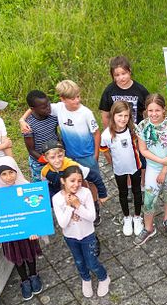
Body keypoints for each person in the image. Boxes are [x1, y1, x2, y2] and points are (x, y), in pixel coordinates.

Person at [20, 80, 106, 225]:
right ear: (63, 99)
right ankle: (77, 206)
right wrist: (22, 119)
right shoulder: (57, 109)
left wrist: (96, 155)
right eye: (73, 98)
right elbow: (34, 108)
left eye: (78, 96)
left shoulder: (85, 113)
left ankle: (94, 206)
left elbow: (96, 133)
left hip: (86, 155)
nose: (77, 100)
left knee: (91, 181)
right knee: (76, 181)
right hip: (67, 156)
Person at [0, 156, 44, 300]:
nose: (8, 177)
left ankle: (33, 275)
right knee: (17, 258)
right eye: (4, 174)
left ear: (16, 171)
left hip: (27, 233)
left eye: (11, 172)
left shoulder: (25, 186)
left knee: (30, 254)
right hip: (10, 234)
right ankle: (24, 280)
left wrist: (35, 229)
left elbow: (34, 211)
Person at [52, 166, 110, 298]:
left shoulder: (85, 193)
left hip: (88, 235)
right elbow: (62, 223)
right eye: (72, 180)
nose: (76, 184)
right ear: (63, 181)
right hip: (70, 236)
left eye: (79, 181)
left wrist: (78, 205)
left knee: (92, 262)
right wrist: (68, 206)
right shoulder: (57, 199)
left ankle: (104, 277)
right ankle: (86, 279)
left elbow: (92, 217)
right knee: (79, 261)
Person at [134, 94, 167, 245]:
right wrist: (160, 162)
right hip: (153, 168)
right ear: (146, 110)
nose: (154, 114)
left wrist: (164, 171)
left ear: (164, 110)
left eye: (157, 110)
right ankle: (148, 228)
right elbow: (143, 150)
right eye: (150, 110)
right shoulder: (142, 126)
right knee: (148, 200)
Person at [100, 101, 144, 236]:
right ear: (113, 115)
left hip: (135, 166)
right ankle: (127, 217)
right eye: (120, 115)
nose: (123, 119)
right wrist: (112, 162)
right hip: (119, 169)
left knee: (137, 192)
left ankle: (137, 217)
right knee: (123, 193)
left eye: (126, 116)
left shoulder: (133, 129)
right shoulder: (106, 135)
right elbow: (105, 150)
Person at [39, 140, 106, 203]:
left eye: (60, 156)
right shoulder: (45, 171)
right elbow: (46, 187)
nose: (57, 160)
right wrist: (53, 200)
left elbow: (95, 176)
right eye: (52, 157)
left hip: (78, 197)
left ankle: (95, 209)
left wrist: (102, 194)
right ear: (45, 158)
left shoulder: (73, 166)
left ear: (64, 153)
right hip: (62, 199)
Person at [98, 55, 149, 127]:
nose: (121, 78)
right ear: (113, 76)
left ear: (129, 71)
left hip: (136, 133)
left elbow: (148, 112)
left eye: (123, 73)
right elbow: (105, 115)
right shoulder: (109, 91)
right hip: (116, 132)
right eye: (117, 75)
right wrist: (109, 132)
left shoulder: (141, 90)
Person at [20, 90, 59, 182]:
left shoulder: (53, 117)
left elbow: (56, 134)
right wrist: (47, 161)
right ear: (32, 109)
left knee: (57, 182)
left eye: (49, 105)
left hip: (55, 157)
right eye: (44, 107)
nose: (48, 108)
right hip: (39, 162)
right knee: (42, 186)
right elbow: (31, 150)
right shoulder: (28, 125)